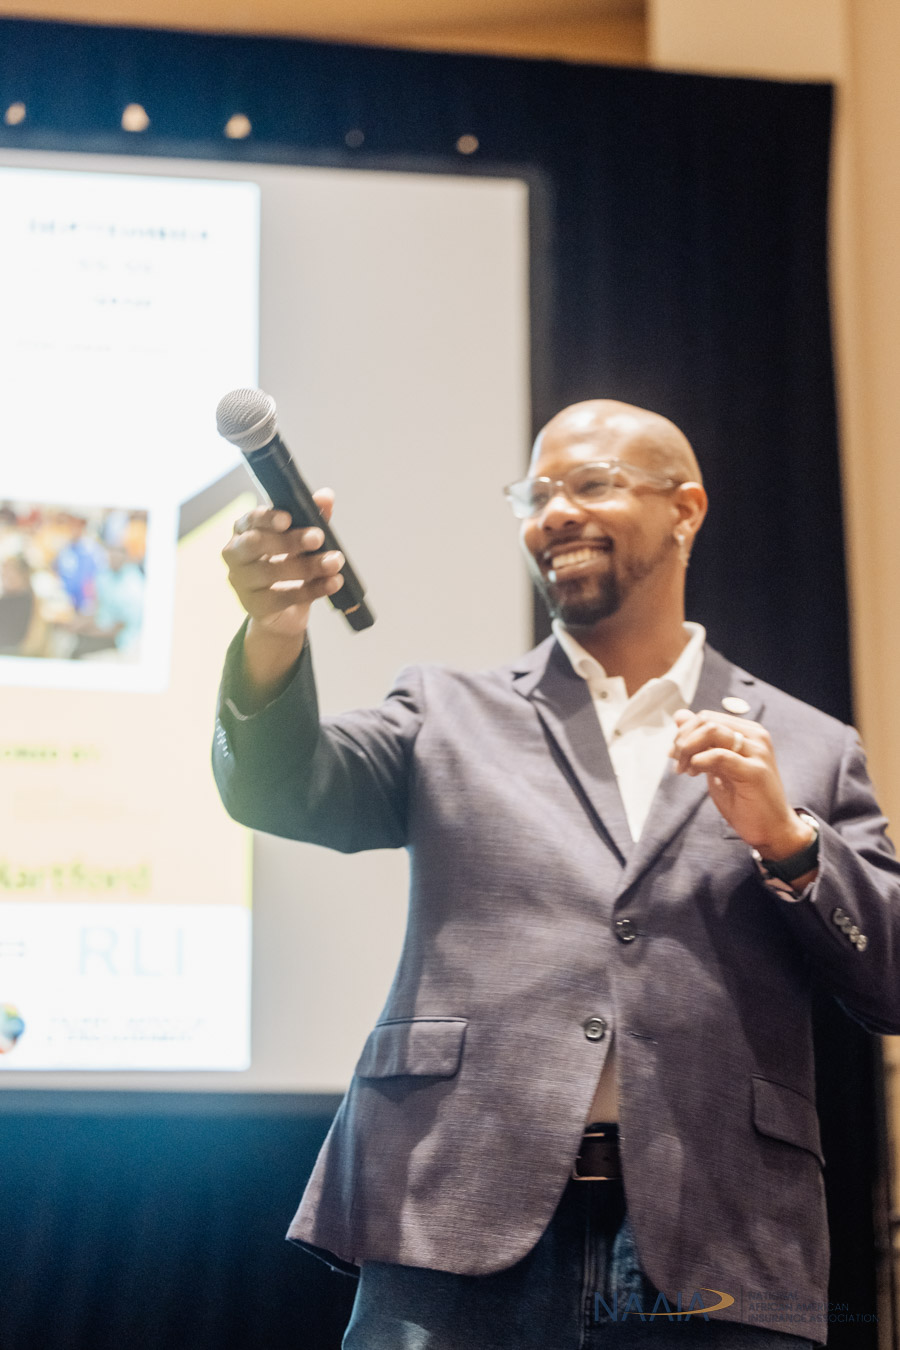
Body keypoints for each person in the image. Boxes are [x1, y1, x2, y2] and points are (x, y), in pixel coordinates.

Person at [213, 400, 900, 1350]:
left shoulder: (810, 745)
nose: (556, 512)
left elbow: (890, 979)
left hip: (724, 1235)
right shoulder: (444, 710)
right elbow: (280, 786)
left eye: (592, 484)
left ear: (686, 509)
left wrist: (790, 842)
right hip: (451, 1213)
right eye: (536, 495)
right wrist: (275, 633)